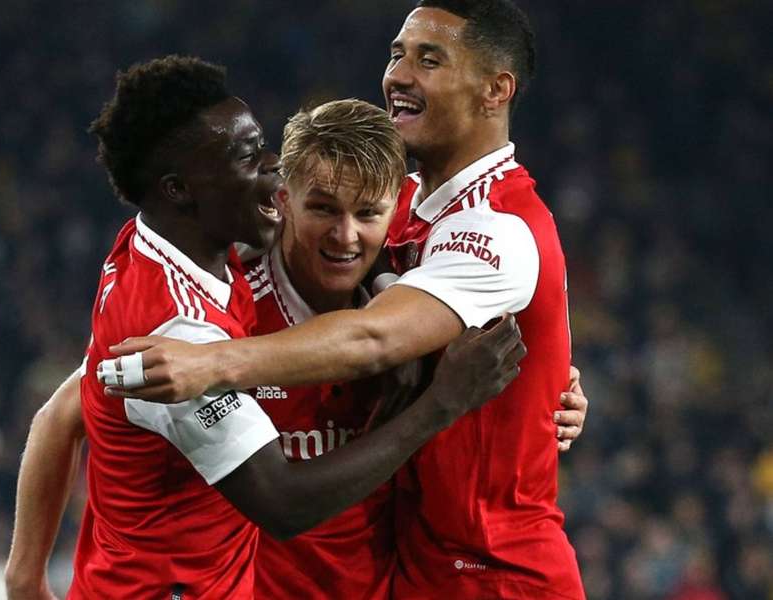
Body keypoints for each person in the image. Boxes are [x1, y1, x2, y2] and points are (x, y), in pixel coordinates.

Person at [108, 1, 586, 597]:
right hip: (413, 568)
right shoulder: (404, 205)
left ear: (495, 89)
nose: (400, 75)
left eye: (429, 60)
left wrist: (213, 364)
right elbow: (92, 388)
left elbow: (373, 338)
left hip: (495, 573)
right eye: (397, 54)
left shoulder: (496, 226)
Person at [5, 54, 527, 599]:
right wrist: (439, 403)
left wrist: (387, 289)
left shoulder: (181, 251)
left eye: (368, 214)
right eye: (248, 156)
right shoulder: (183, 335)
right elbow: (281, 501)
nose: (270, 169)